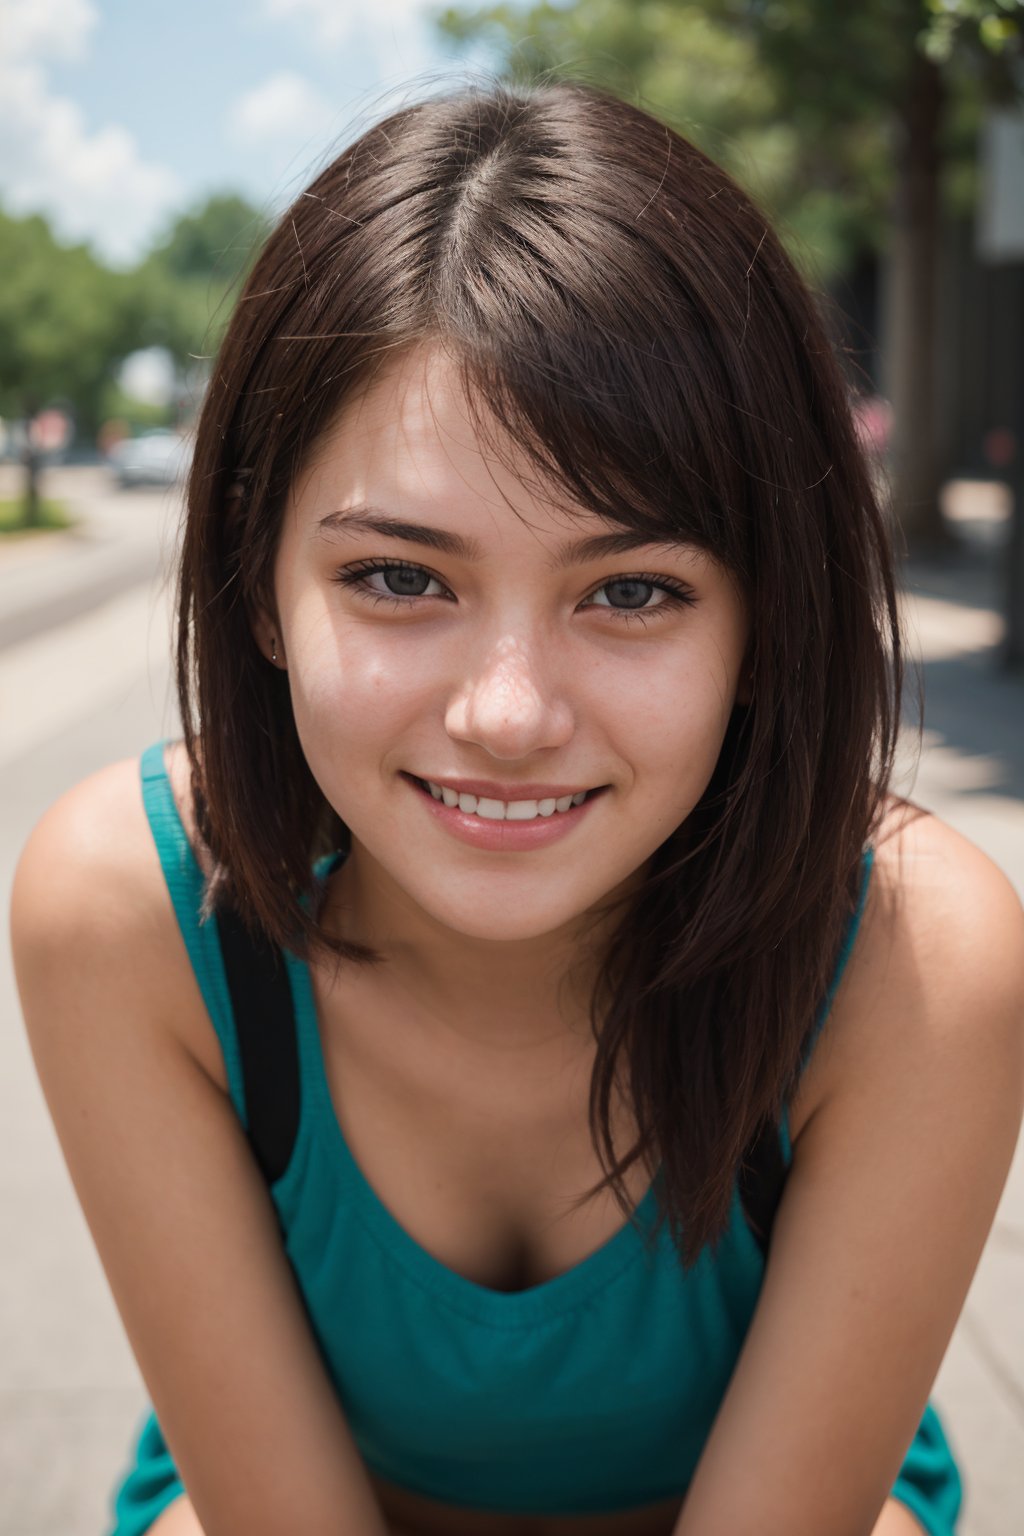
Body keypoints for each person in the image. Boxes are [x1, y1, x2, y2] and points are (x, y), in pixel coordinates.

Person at [11, 78, 1024, 1536]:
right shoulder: (138, 906)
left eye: (631, 592)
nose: (507, 713)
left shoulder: (910, 953)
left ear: (763, 628)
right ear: (259, 588)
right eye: (400, 579)